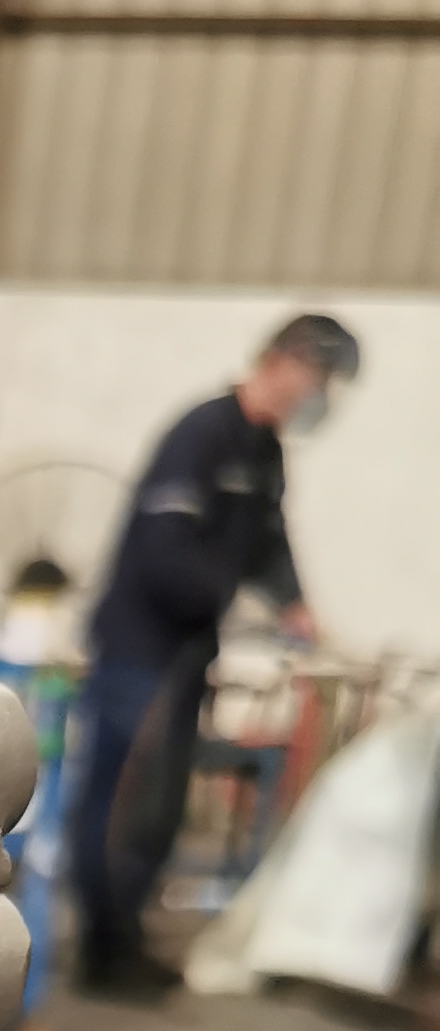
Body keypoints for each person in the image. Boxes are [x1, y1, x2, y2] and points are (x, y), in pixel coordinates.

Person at [68, 311, 360, 993]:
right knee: (124, 801)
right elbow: (162, 550)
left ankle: (125, 939)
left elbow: (269, 540)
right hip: (141, 650)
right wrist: (233, 599)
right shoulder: (201, 435)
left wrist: (293, 604)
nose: (321, 398)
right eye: (321, 380)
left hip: (187, 655)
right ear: (288, 363)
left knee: (162, 805)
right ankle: (101, 951)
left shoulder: (263, 454)